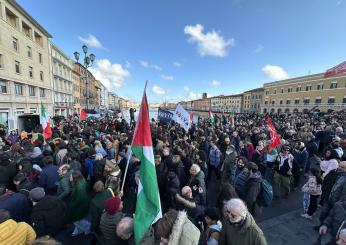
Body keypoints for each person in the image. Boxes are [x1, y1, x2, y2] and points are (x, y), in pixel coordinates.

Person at [65, 170, 90, 236]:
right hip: (81, 205)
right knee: (79, 219)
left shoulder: (80, 187)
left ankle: (87, 228)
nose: (70, 177)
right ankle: (79, 230)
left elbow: (79, 200)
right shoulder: (81, 181)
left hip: (79, 207)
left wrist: (71, 206)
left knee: (77, 220)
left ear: (75, 178)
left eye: (71, 176)